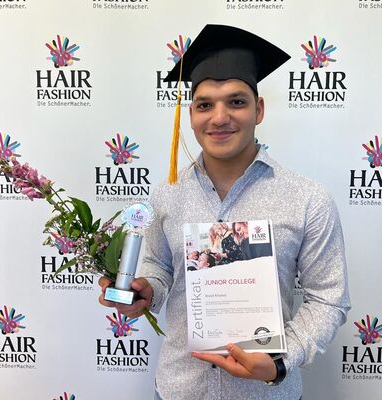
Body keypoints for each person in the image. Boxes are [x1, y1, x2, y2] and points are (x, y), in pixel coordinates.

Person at [99, 24, 350, 400]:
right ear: (190, 115)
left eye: (236, 102)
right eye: (205, 105)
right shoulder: (166, 195)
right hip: (180, 389)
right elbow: (160, 269)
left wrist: (280, 362)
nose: (219, 118)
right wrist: (146, 291)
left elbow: (329, 297)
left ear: (258, 109)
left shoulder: (307, 199)